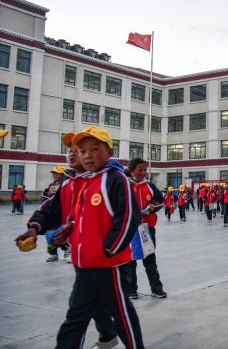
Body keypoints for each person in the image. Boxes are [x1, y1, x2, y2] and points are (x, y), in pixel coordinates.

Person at [18, 126, 144, 348]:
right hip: (84, 263)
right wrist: (35, 227)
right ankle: (104, 338)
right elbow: (54, 211)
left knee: (122, 316)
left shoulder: (114, 179)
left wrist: (108, 249)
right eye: (79, 150)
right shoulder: (75, 183)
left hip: (108, 265)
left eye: (93, 149)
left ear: (108, 152)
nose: (83, 155)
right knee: (76, 317)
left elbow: (128, 217)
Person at [125, 158, 167, 300]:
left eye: (145, 170)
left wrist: (151, 207)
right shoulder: (124, 186)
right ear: (131, 171)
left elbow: (160, 200)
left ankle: (157, 289)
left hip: (147, 229)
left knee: (150, 259)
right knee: (130, 261)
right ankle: (131, 291)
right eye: (140, 170)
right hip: (129, 230)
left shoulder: (149, 186)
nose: (143, 173)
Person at [43, 165, 71, 262]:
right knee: (48, 234)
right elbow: (46, 197)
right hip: (51, 214)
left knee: (60, 233)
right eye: (53, 173)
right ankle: (53, 254)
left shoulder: (66, 184)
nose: (54, 175)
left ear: (62, 175)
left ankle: (67, 249)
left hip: (62, 214)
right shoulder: (52, 185)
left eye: (56, 173)